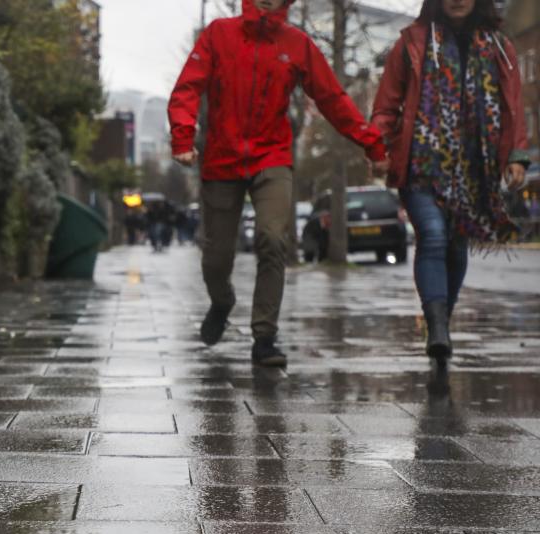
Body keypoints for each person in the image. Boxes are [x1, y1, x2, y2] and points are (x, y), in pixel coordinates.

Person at [169, 0, 388, 367]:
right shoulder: (219, 35)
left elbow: (333, 99)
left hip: (271, 156)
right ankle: (222, 302)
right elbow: (187, 89)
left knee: (273, 237)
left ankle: (264, 336)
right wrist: (182, 136)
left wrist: (371, 143)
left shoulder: (297, 44)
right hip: (222, 159)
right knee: (216, 258)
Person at [372, 0, 529, 366]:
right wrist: (377, 147)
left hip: (474, 170)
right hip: (420, 163)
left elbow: (512, 107)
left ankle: (440, 321)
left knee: (456, 247)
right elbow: (386, 105)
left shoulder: (499, 46)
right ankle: (438, 327)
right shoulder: (411, 42)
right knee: (433, 235)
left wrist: (517, 156)